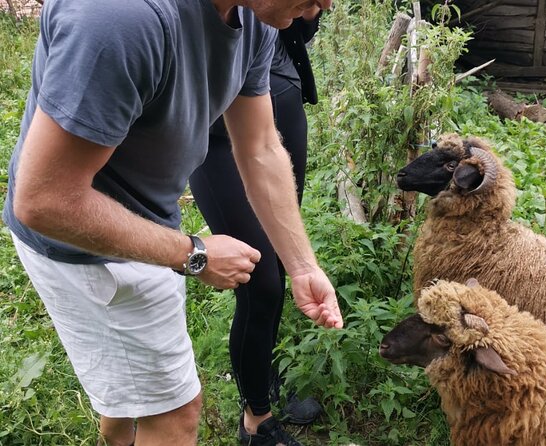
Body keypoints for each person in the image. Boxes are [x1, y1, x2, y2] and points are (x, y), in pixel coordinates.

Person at [2, 1, 343, 445]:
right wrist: (194, 255)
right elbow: (45, 199)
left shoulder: (251, 18)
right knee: (176, 415)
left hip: (142, 219)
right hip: (80, 245)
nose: (327, 5)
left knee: (128, 392)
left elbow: (259, 146)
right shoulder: (121, 19)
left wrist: (301, 265)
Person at [190, 5, 323, 445]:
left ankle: (265, 380)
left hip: (273, 115)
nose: (319, 6)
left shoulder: (261, 28)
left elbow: (302, 31)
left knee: (284, 263)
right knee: (260, 278)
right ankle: (256, 421)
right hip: (217, 141)